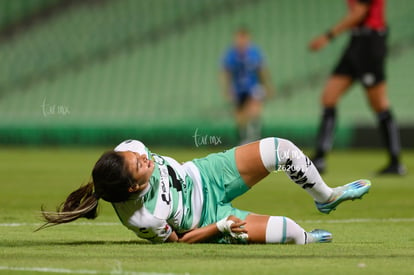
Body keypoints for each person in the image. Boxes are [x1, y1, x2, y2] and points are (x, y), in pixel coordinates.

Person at [37, 138, 371, 244]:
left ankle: (326, 197)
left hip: (208, 174)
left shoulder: (129, 148)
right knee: (293, 234)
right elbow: (179, 243)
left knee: (280, 150)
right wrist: (220, 227)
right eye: (139, 164)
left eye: (136, 155)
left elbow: (131, 155)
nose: (142, 156)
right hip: (210, 218)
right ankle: (308, 239)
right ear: (133, 187)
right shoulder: (142, 218)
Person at [309, 0, 405, 175]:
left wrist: (327, 36)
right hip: (356, 42)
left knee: (379, 104)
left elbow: (359, 13)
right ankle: (320, 158)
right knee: (328, 97)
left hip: (370, 43)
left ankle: (395, 162)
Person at [221, 27, 275, 145]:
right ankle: (243, 139)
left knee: (254, 110)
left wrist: (267, 86)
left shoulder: (255, 53)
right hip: (239, 90)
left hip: (253, 87)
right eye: (238, 38)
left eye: (243, 38)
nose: (240, 41)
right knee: (239, 118)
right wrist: (227, 90)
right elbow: (226, 72)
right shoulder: (231, 54)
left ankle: (255, 138)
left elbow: (262, 71)